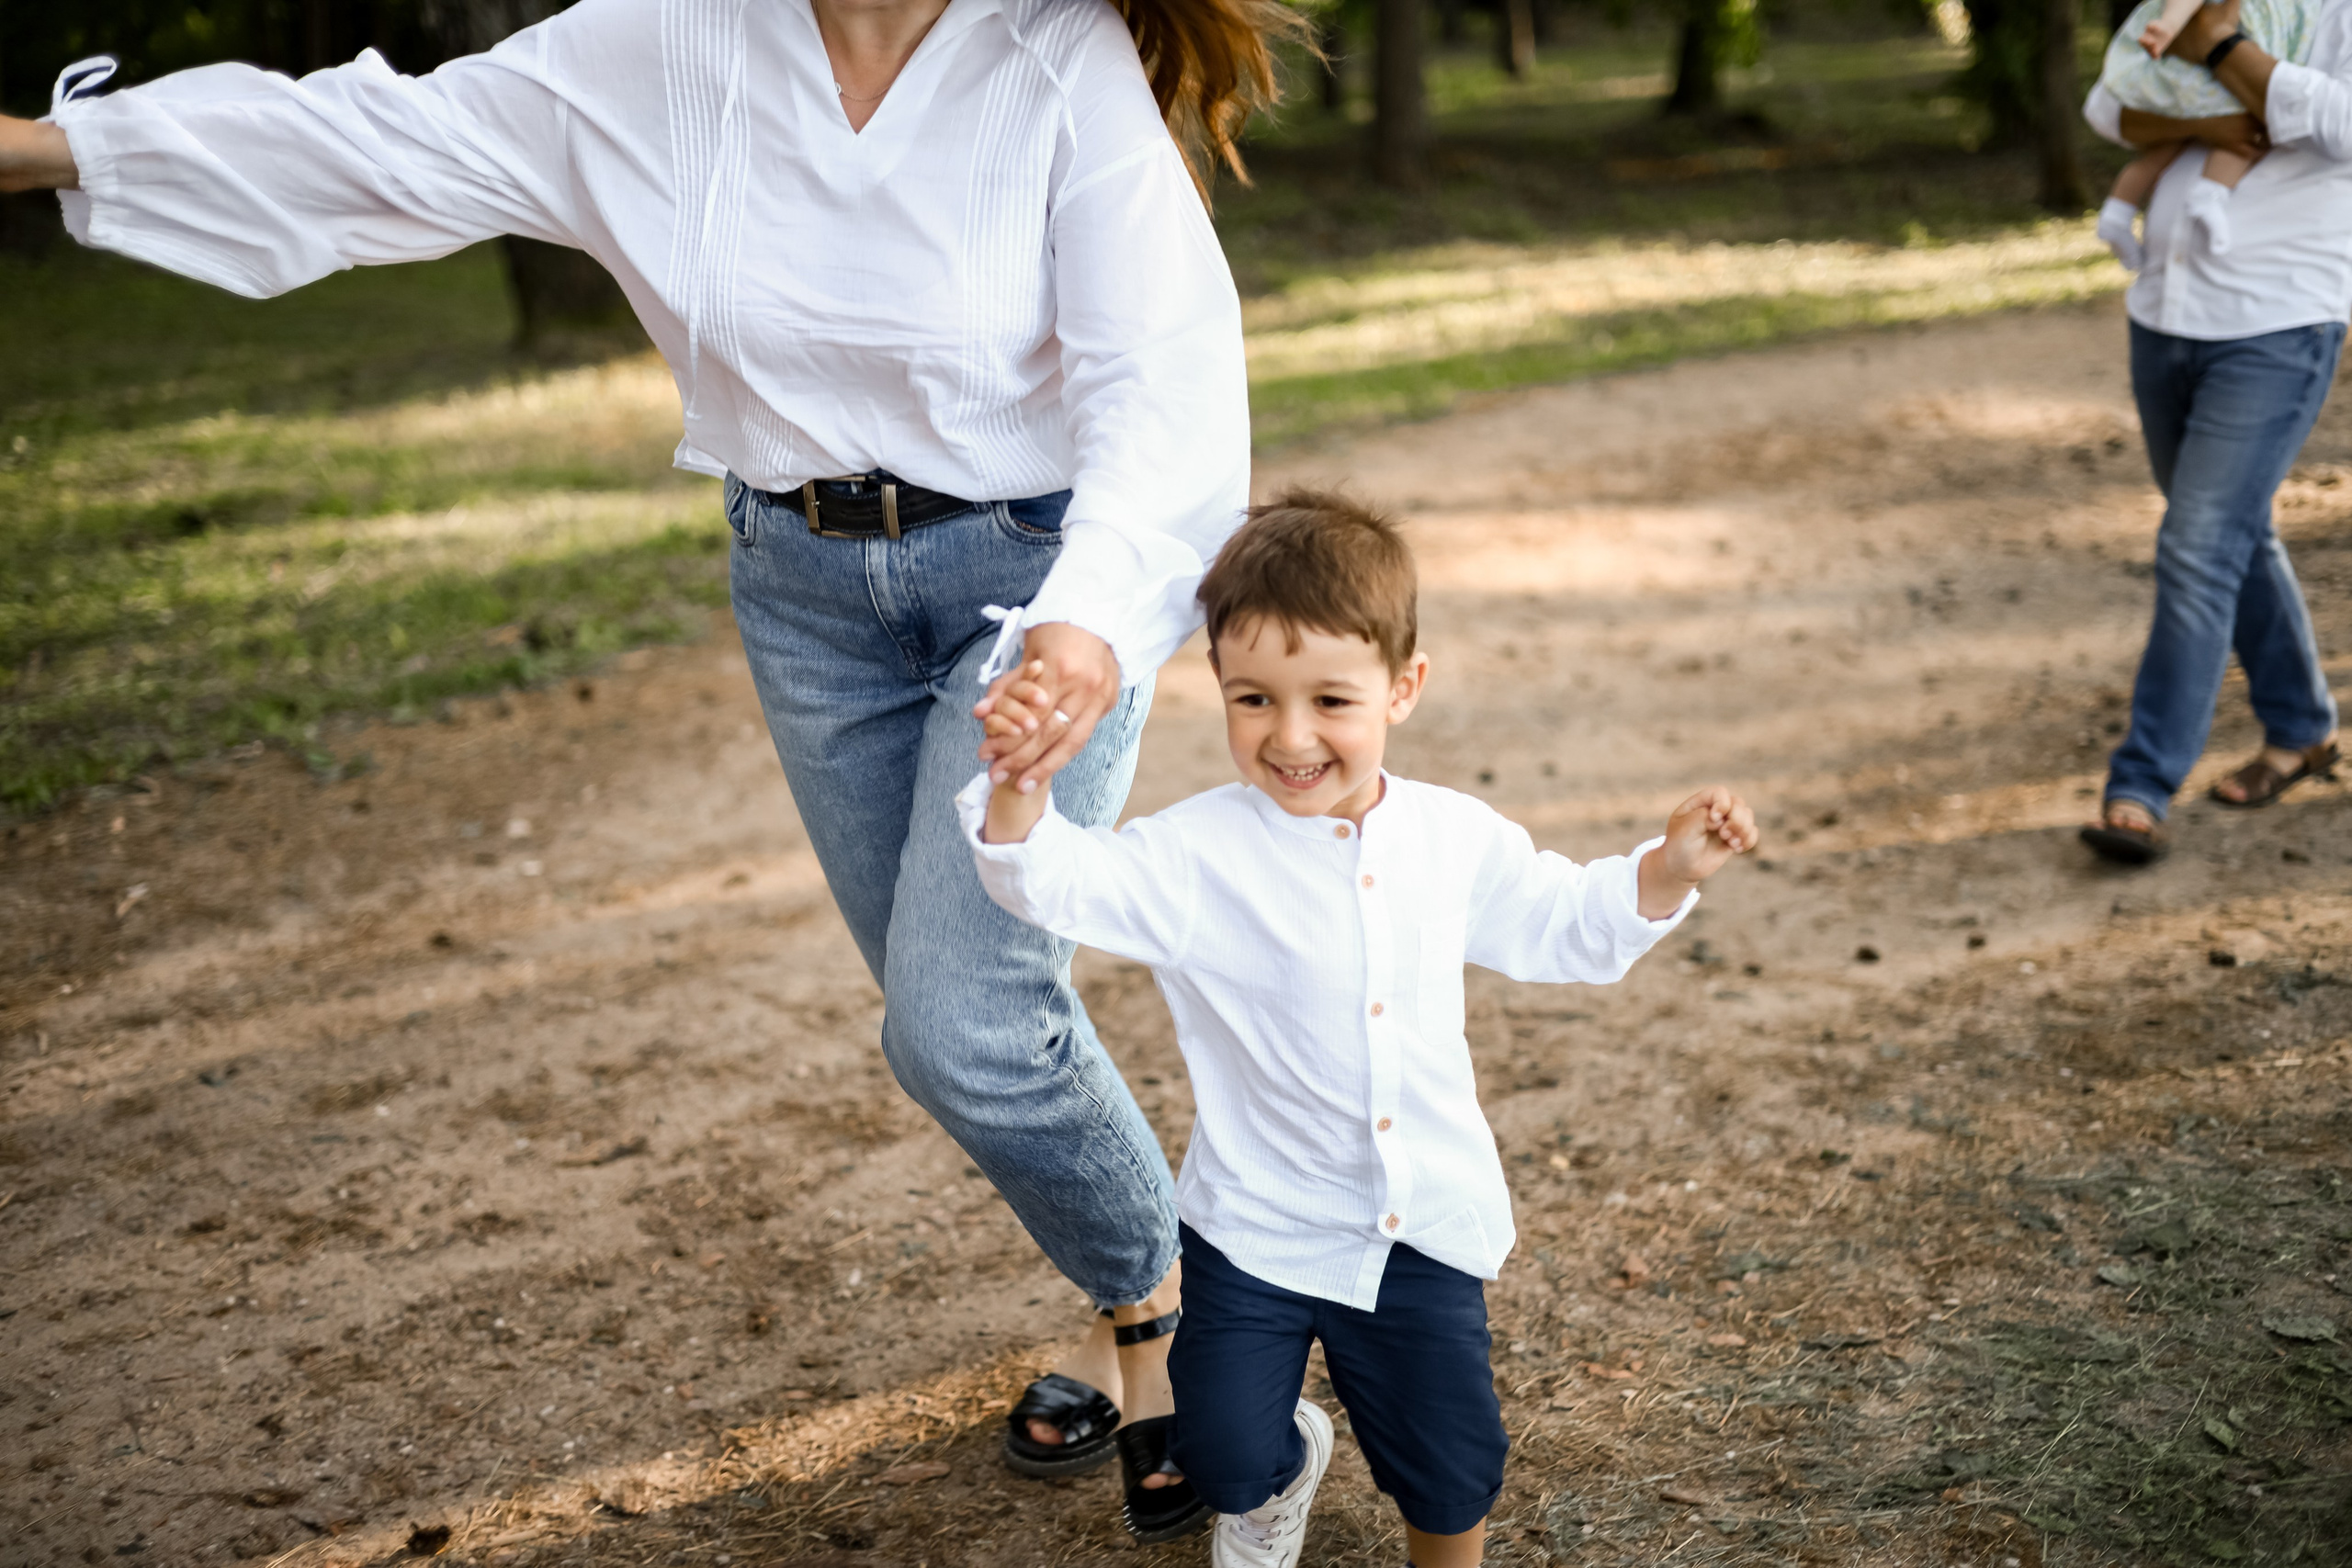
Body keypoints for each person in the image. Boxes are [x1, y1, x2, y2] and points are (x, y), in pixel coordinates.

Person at [0, 0, 1304, 1522]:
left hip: (1031, 594)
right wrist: (43, 147)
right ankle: (1144, 1286)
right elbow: (379, 136)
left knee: (968, 1027)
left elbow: (1165, 374)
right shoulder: (666, 45)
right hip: (806, 599)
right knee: (968, 1009)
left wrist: (1088, 621)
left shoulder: (1052, 58)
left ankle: (1175, 1314)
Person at [961, 489, 1759, 1562]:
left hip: (1414, 1221)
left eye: (1331, 700)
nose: (1290, 736)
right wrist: (1020, 783)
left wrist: (1667, 869)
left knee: (1446, 1462)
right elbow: (1049, 881)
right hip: (1255, 1225)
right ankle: (1276, 1480)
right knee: (1220, 1454)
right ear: (1220, 687)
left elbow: (1564, 923)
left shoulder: (1450, 838)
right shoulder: (1193, 857)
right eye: (1253, 699)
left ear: (1403, 687)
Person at [2077, 0, 2347, 866]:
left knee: (2198, 543)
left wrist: (2222, 48)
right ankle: (2302, 727)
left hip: (2279, 316)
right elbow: (2110, 106)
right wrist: (2224, 117)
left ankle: (2141, 784)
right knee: (2231, 532)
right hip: (2165, 309)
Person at [2094, 0, 2317, 265]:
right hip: (2213, 60)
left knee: (2176, 140)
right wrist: (2170, 24)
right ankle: (2211, 192)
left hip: (2209, 58)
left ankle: (2119, 209)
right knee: (2246, 128)